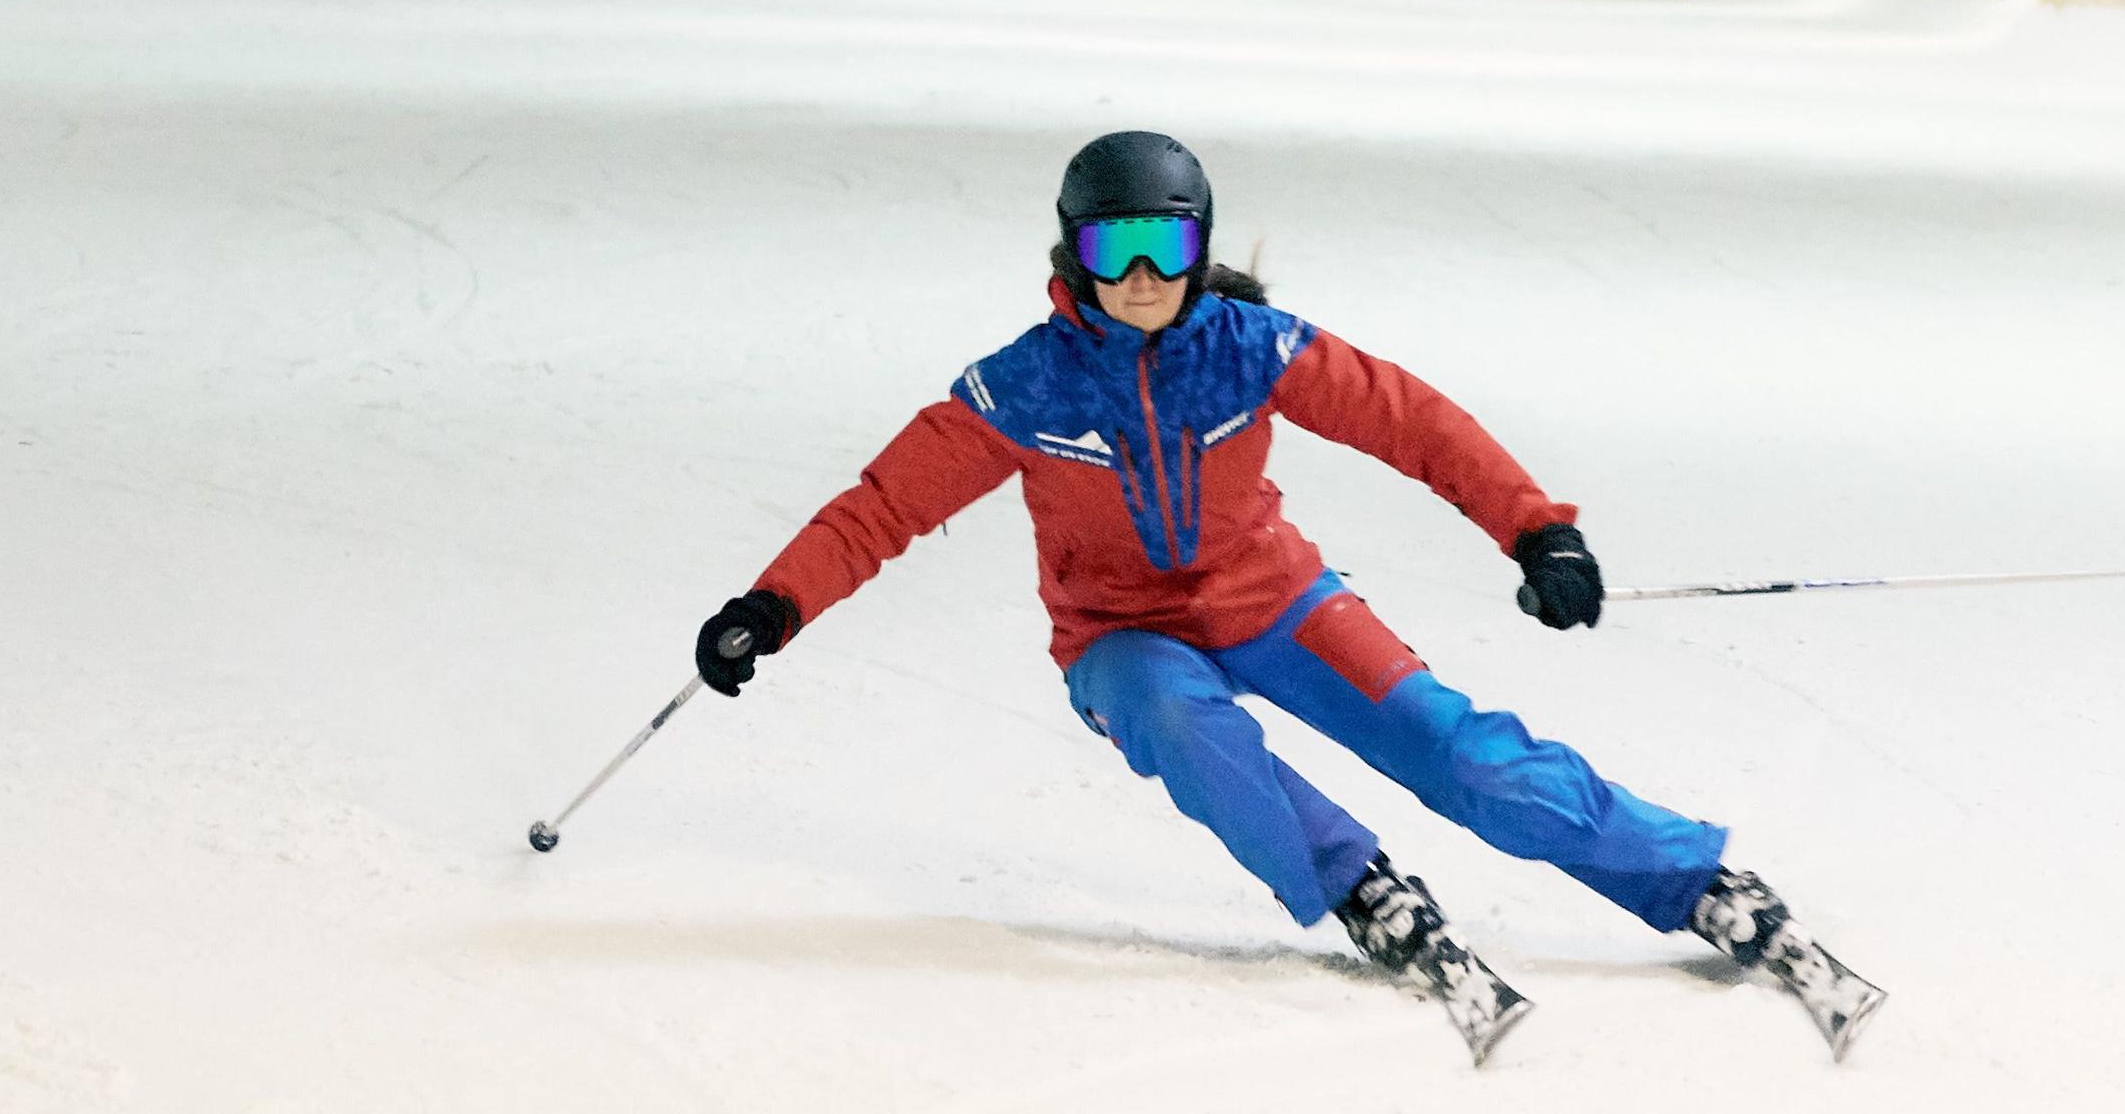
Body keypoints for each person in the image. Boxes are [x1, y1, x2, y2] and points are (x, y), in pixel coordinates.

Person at [695, 131, 1880, 1064]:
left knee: (1457, 753)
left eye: (1166, 247)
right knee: (1176, 723)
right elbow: (883, 505)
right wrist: (773, 606)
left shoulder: (1255, 350)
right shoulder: (1022, 386)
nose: (1145, 278)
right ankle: (1355, 881)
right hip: (1121, 636)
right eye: (1115, 252)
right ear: (1072, 258)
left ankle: (1695, 880)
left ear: (1200, 245)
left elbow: (1416, 423)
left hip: (1278, 602)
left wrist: (1538, 529)